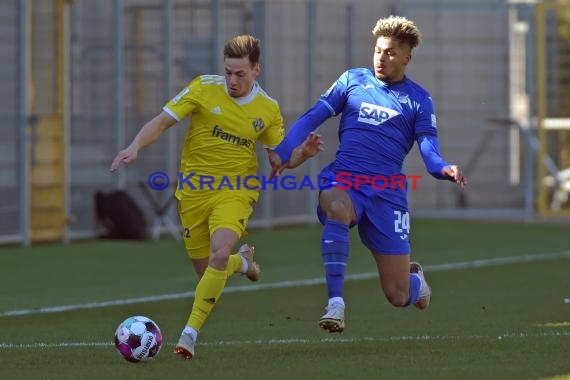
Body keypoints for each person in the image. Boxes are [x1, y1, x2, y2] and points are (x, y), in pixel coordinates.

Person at [110, 35, 322, 358]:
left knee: (218, 253)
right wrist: (135, 145)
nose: (232, 81)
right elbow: (163, 121)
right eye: (228, 72)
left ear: (256, 71)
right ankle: (244, 262)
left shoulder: (267, 109)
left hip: (236, 191)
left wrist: (302, 154)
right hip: (193, 193)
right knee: (208, 271)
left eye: (240, 74)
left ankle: (189, 334)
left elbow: (281, 158)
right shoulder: (203, 88)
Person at [268, 16, 467, 333]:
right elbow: (311, 118)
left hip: (387, 194)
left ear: (407, 57)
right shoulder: (353, 81)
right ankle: (336, 303)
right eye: (377, 50)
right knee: (335, 206)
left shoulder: (418, 99)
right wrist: (282, 151)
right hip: (345, 180)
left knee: (398, 295)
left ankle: (417, 283)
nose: (380, 57)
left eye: (389, 52)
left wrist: (444, 169)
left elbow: (429, 151)